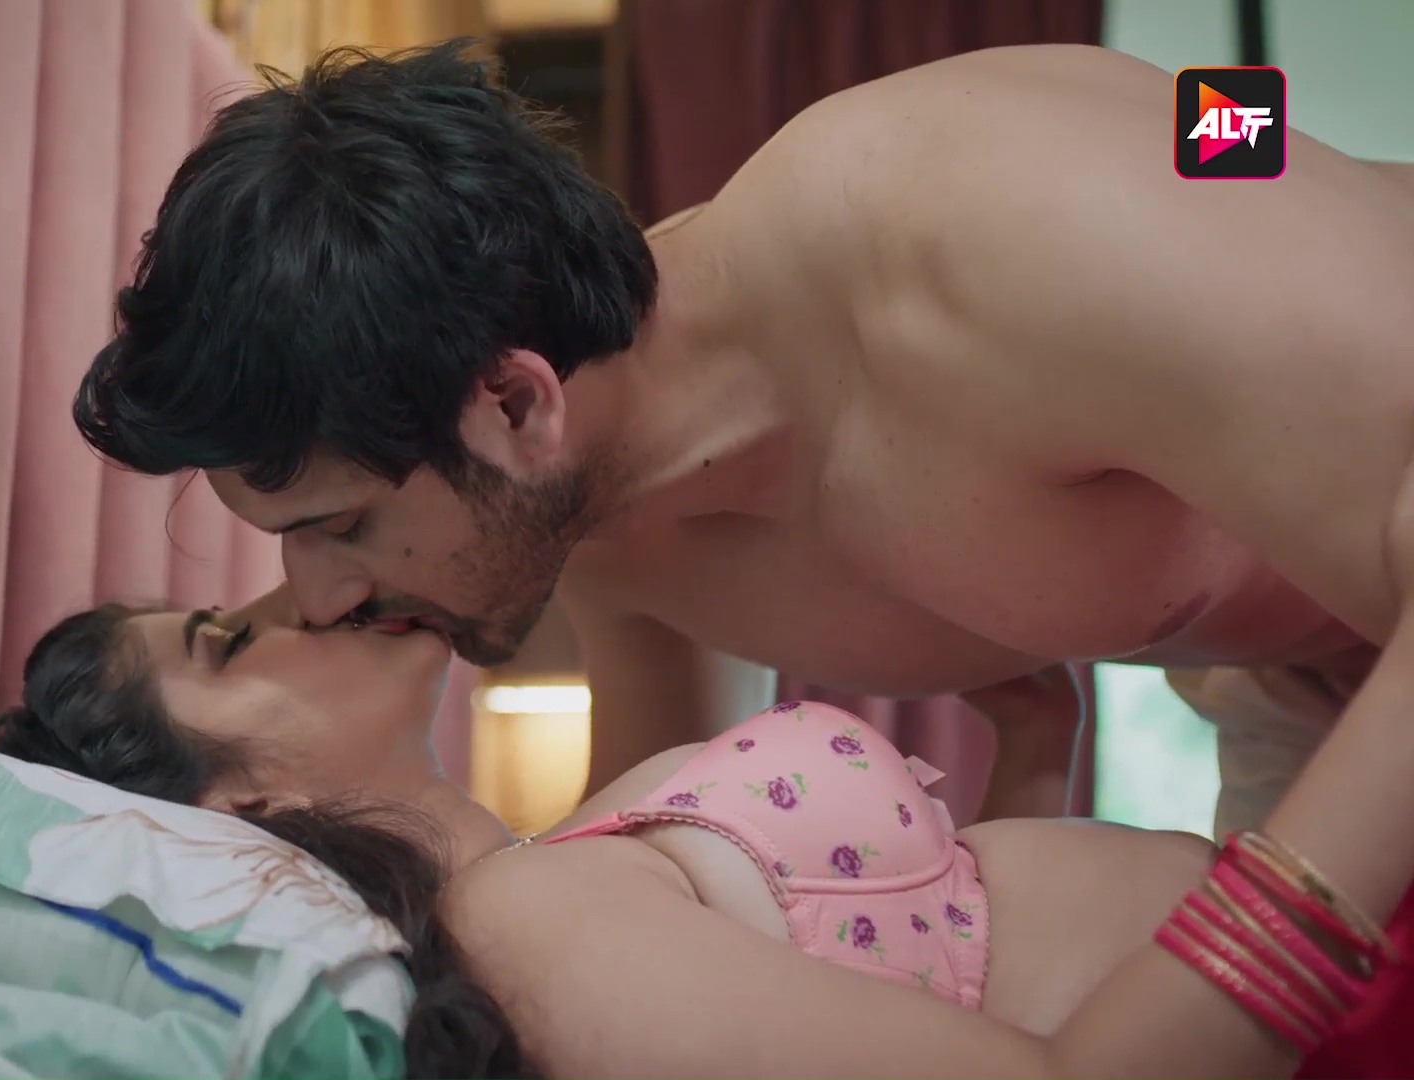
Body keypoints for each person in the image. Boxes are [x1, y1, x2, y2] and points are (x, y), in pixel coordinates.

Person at [71, 41, 1414, 833]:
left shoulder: (995, 246)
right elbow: (634, 865)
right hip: (1302, 684)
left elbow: (1231, 128)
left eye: (339, 527)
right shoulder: (595, 517)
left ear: (515, 403)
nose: (314, 600)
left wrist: (1253, 158)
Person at [0, 583, 1414, 1080]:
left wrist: (1037, 752)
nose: (297, 594)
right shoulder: (524, 933)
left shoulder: (548, 879)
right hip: (1333, 1004)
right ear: (239, 807)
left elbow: (943, 985)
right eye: (227, 642)